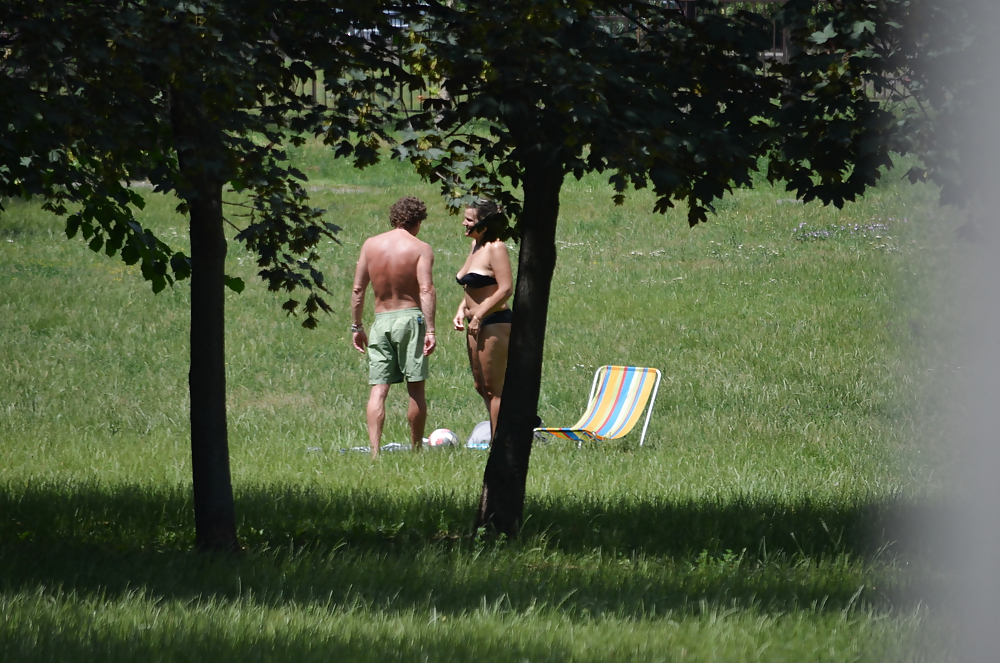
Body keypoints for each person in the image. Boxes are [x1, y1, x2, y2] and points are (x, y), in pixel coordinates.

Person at [351, 196, 436, 459]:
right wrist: (431, 329)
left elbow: (357, 289)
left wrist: (356, 326)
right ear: (418, 221)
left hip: (381, 320)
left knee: (379, 388)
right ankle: (416, 449)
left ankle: (375, 452)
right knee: (416, 387)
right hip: (410, 317)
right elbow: (425, 289)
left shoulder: (370, 245)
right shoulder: (421, 248)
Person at [452, 199, 514, 439]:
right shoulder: (476, 246)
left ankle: (499, 445)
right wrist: (462, 309)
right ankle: (500, 434)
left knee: (495, 390)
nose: (464, 223)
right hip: (474, 323)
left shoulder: (496, 248)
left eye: (469, 220)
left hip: (494, 321)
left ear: (485, 225)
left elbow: (506, 288)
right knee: (481, 387)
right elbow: (471, 284)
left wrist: (478, 314)